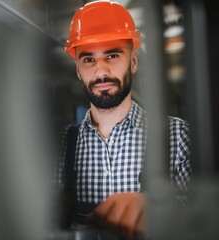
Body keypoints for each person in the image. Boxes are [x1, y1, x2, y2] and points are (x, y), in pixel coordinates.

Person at [53, 1, 191, 239]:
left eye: (112, 55)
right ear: (77, 69)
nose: (101, 71)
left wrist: (162, 212)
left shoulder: (177, 137)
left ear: (133, 61)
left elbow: (207, 222)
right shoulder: (58, 145)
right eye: (88, 60)